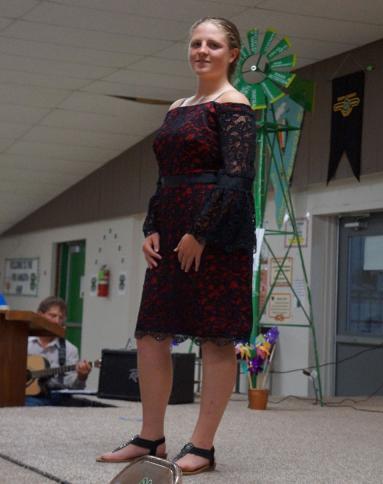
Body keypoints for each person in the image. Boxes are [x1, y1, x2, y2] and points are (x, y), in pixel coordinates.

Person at [96, 17, 256, 475]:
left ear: (232, 54)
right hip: (171, 227)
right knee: (150, 334)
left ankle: (202, 447)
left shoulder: (235, 104)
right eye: (196, 43)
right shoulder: (177, 106)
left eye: (213, 44)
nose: (202, 50)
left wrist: (201, 232)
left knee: (216, 336)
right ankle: (151, 436)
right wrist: (152, 225)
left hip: (217, 233)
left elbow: (238, 178)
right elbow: (166, 177)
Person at [26, 296, 92, 406]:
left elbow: (74, 390)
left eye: (61, 318)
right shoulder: (24, 343)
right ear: (39, 315)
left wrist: (82, 377)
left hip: (53, 399)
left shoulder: (70, 350)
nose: (57, 321)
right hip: (24, 394)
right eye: (53, 316)